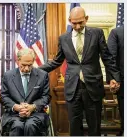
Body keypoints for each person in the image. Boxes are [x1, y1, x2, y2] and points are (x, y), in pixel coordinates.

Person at [39, 7, 120, 136]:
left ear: (86, 19)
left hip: (93, 87)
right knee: (75, 126)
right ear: (69, 20)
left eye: (80, 22)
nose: (77, 26)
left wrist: (115, 77)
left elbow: (107, 58)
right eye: (74, 22)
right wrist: (37, 69)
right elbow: (57, 61)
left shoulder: (97, 33)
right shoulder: (64, 38)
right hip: (73, 88)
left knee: (94, 126)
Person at [0, 48, 51, 136]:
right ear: (18, 61)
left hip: (36, 114)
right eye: (23, 65)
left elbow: (46, 96)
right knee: (17, 126)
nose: (27, 68)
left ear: (33, 61)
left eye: (30, 65)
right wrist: (16, 107)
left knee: (30, 125)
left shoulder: (42, 75)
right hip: (13, 115)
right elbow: (4, 97)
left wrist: (33, 106)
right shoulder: (8, 76)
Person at [106, 26, 124, 136]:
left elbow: (110, 58)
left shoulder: (117, 32)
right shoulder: (117, 32)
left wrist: (114, 79)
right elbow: (110, 57)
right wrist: (114, 79)